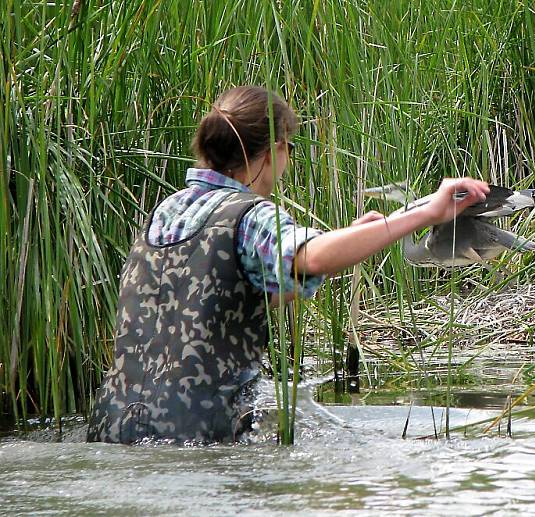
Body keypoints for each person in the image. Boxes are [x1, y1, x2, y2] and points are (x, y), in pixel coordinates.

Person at [86, 85, 489, 444]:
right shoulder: (251, 215)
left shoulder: (167, 210)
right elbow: (311, 255)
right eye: (290, 147)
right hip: (197, 432)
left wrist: (353, 238)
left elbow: (224, 301)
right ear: (274, 149)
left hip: (113, 426)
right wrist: (427, 214)